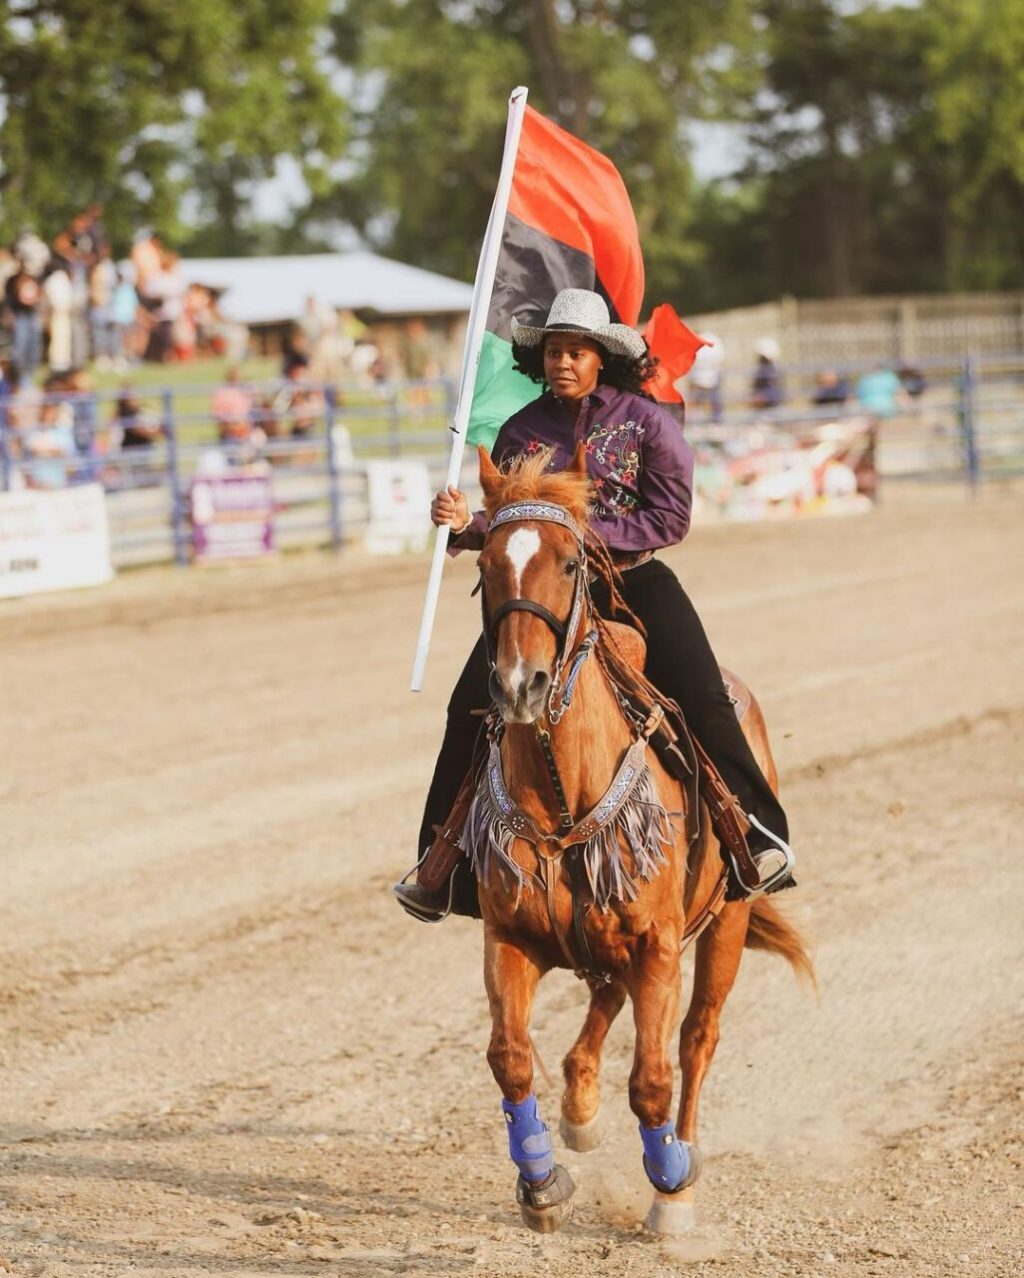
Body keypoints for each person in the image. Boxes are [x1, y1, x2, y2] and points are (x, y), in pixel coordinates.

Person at [395, 288, 795, 921]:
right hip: (543, 591)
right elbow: (509, 524)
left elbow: (671, 516)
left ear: (600, 358)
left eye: (575, 352)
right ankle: (442, 863)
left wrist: (586, 537)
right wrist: (466, 524)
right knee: (468, 706)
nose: (563, 362)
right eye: (554, 351)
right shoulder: (522, 432)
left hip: (633, 581)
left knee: (704, 694)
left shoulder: (648, 422)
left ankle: (755, 834)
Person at [750, 337, 784, 410]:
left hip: (769, 408)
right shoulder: (763, 370)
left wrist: (760, 398)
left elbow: (771, 394)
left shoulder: (770, 371)